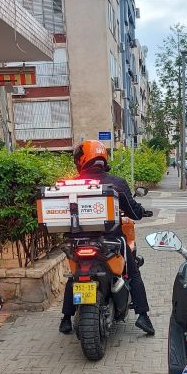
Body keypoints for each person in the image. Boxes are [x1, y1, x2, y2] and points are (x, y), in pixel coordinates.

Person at [59, 140, 155, 336]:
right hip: (110, 241)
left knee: (74, 276)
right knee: (134, 273)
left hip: (78, 243)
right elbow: (134, 213)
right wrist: (142, 211)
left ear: (81, 160)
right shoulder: (116, 183)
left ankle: (66, 320)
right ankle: (143, 316)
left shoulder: (69, 184)